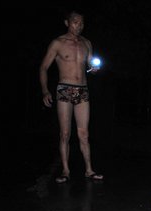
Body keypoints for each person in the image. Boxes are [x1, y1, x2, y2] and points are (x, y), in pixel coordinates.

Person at [39, 9, 103, 184]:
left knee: (83, 133)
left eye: (82, 23)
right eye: (75, 22)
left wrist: (93, 69)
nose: (79, 26)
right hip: (65, 89)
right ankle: (66, 170)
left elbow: (90, 66)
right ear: (67, 23)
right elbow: (43, 67)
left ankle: (89, 170)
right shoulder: (57, 43)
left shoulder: (87, 43)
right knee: (65, 133)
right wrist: (45, 90)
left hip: (82, 90)